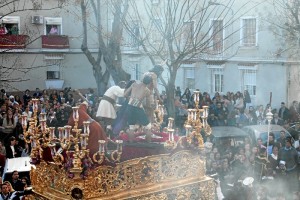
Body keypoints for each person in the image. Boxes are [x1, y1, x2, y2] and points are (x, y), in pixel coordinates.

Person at [68, 90, 107, 156]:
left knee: (91, 149)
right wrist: (79, 93)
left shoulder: (70, 121)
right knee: (99, 146)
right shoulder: (80, 108)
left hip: (91, 129)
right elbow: (86, 102)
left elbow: (72, 138)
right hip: (96, 125)